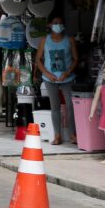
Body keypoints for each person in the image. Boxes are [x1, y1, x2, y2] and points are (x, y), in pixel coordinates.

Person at [34, 15, 79, 145]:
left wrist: (68, 72)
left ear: (64, 25)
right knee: (55, 107)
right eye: (55, 22)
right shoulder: (45, 40)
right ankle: (57, 136)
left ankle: (72, 135)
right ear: (50, 25)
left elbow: (76, 59)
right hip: (50, 79)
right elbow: (38, 59)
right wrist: (47, 74)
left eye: (60, 22)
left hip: (67, 78)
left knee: (70, 107)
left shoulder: (69, 40)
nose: (58, 24)